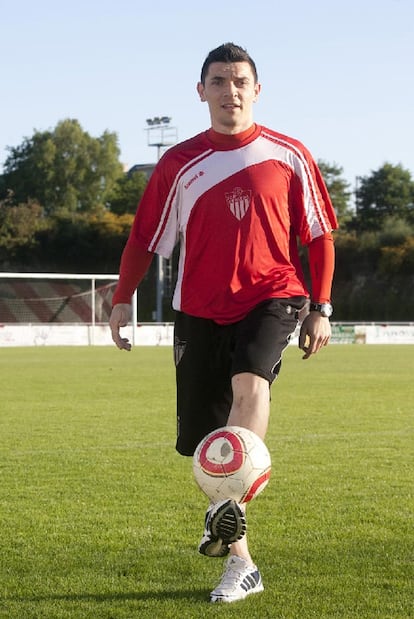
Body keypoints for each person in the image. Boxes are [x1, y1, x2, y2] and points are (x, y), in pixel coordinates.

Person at [109, 42, 338, 603]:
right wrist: (120, 299)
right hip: (197, 309)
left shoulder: (290, 155)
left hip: (273, 296)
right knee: (208, 445)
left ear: (256, 90)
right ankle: (241, 559)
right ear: (201, 91)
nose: (229, 90)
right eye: (218, 81)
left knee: (249, 386)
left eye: (240, 81)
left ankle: (229, 520)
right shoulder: (178, 163)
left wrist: (321, 306)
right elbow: (144, 238)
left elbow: (318, 235)